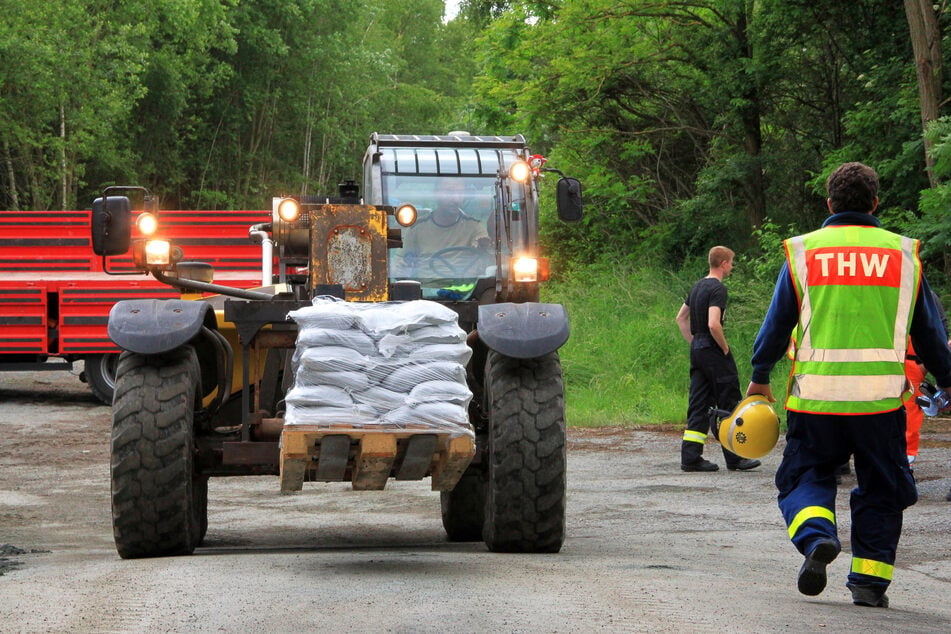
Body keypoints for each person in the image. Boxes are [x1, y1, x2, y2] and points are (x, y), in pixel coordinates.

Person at [746, 162, 951, 608]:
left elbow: (778, 322)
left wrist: (760, 376)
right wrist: (949, 381)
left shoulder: (805, 251)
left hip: (816, 401)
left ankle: (818, 536)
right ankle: (869, 583)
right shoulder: (902, 254)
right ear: (876, 203)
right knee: (882, 487)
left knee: (806, 475)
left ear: (829, 204)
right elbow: (930, 333)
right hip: (880, 405)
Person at [675, 245, 761, 472]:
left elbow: (681, 318)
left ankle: (691, 457)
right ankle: (735, 457)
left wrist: (694, 342)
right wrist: (723, 347)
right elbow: (714, 323)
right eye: (731, 263)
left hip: (698, 349)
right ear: (723, 264)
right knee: (729, 399)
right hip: (713, 349)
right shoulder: (717, 289)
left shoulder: (697, 287)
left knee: (699, 402)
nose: (731, 267)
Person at [399, 179, 489, 279]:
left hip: (465, 290)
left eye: (461, 193)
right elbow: (401, 262)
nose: (456, 199)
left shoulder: (475, 227)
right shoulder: (417, 228)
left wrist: (482, 245)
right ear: (436, 194)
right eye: (450, 192)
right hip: (426, 290)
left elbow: (485, 249)